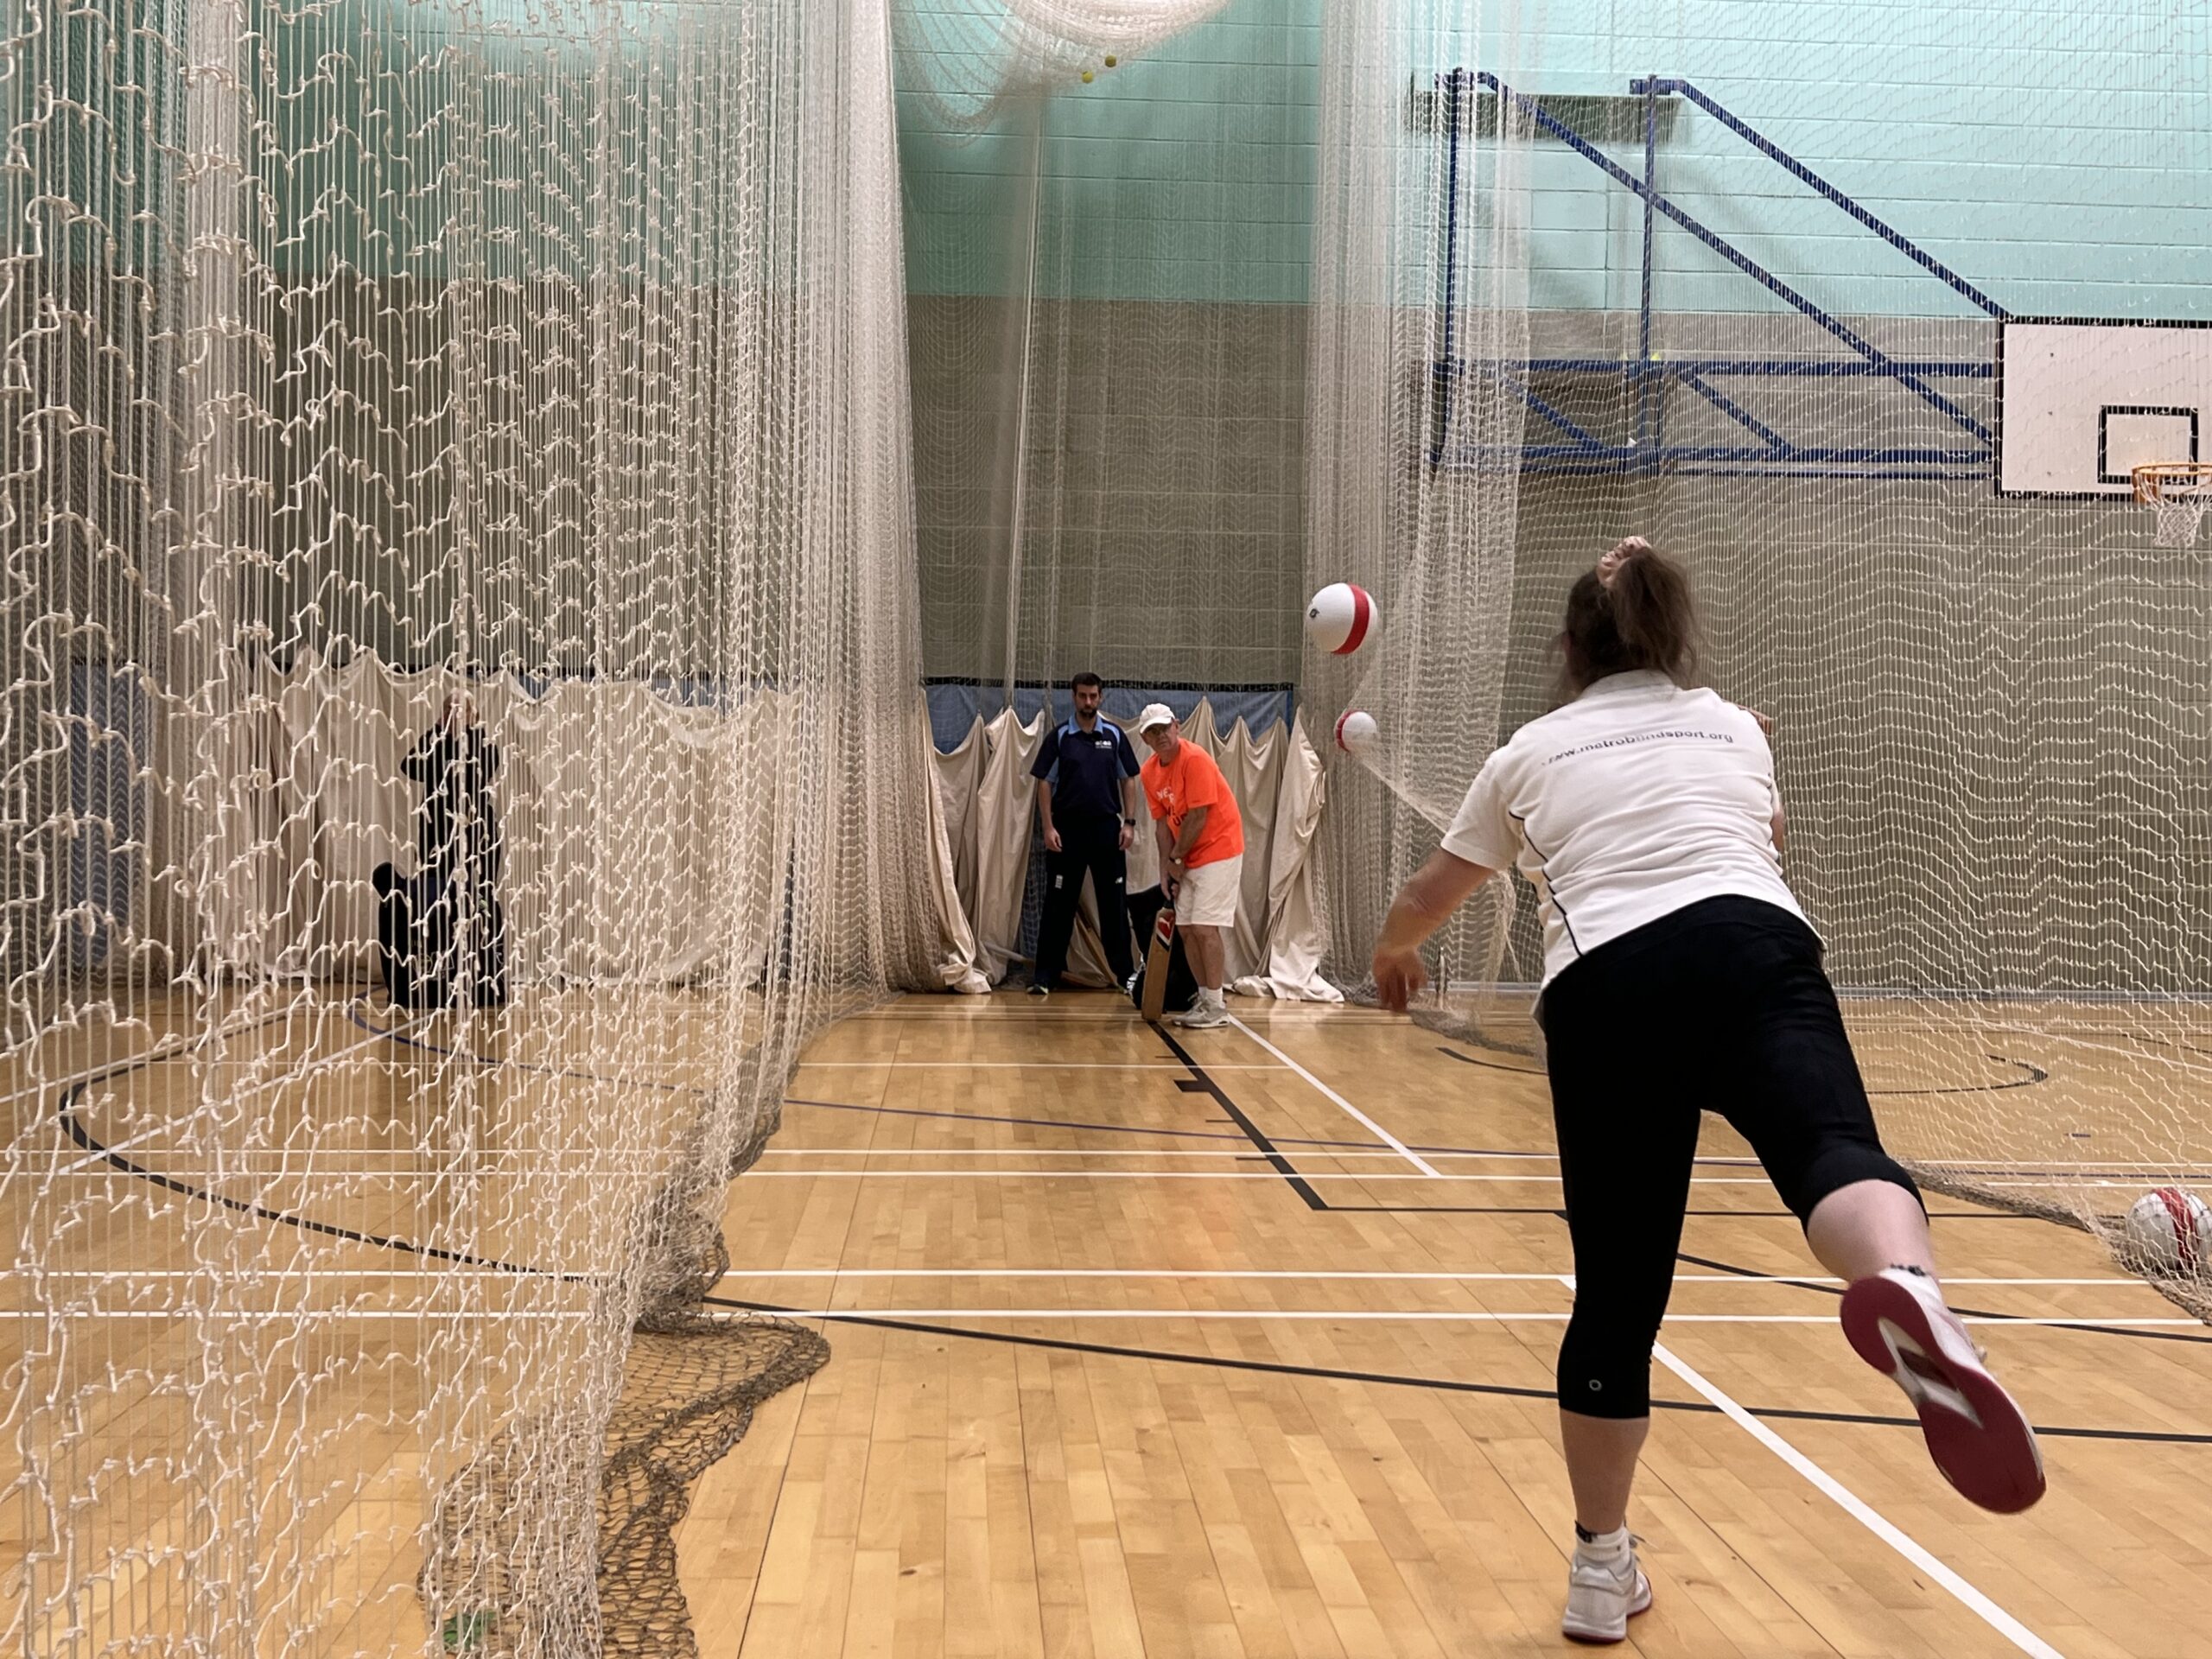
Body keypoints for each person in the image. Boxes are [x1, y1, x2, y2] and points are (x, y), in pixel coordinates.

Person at [1368, 537, 2043, 1644]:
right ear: (1674, 637)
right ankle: (1910, 1285)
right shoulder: (1735, 726)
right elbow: (1764, 839)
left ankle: (1599, 1569)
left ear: (1571, 651)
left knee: (1617, 1295)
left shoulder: (1528, 750)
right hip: (1751, 941)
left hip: (1609, 987)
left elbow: (1430, 890)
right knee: (1836, 1152)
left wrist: (1397, 951)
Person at [378, 693, 507, 1008]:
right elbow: (409, 765)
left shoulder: (484, 745)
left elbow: (478, 772)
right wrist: (439, 731)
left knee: (480, 899)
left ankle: (483, 972)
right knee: (438, 899)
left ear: (474, 713)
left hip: (477, 835)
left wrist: (467, 732)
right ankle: (442, 972)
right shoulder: (435, 741)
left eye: (463, 709)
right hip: (437, 835)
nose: (457, 714)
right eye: (450, 709)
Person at [1028, 673, 1142, 996]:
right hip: (1067, 833)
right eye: (1082, 696)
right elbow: (1044, 783)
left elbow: (1129, 779)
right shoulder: (1060, 736)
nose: (1088, 702)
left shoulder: (1115, 736)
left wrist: (1129, 823)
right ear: (1073, 696)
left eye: (1093, 696)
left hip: (1107, 831)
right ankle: (1045, 977)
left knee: (1114, 907)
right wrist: (1048, 827)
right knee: (1058, 906)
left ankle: (1126, 976)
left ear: (1101, 697)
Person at [1134, 702, 1244, 1030]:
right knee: (1185, 929)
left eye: (1164, 728)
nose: (1161, 735)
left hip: (1219, 848)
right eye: (1153, 732)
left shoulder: (1195, 759)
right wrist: (1165, 871)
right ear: (1146, 738)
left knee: (1205, 927)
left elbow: (1198, 816)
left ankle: (1216, 1005)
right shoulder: (1149, 772)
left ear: (1177, 726)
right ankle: (1204, 998)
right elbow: (1162, 825)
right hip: (1186, 854)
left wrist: (1177, 859)